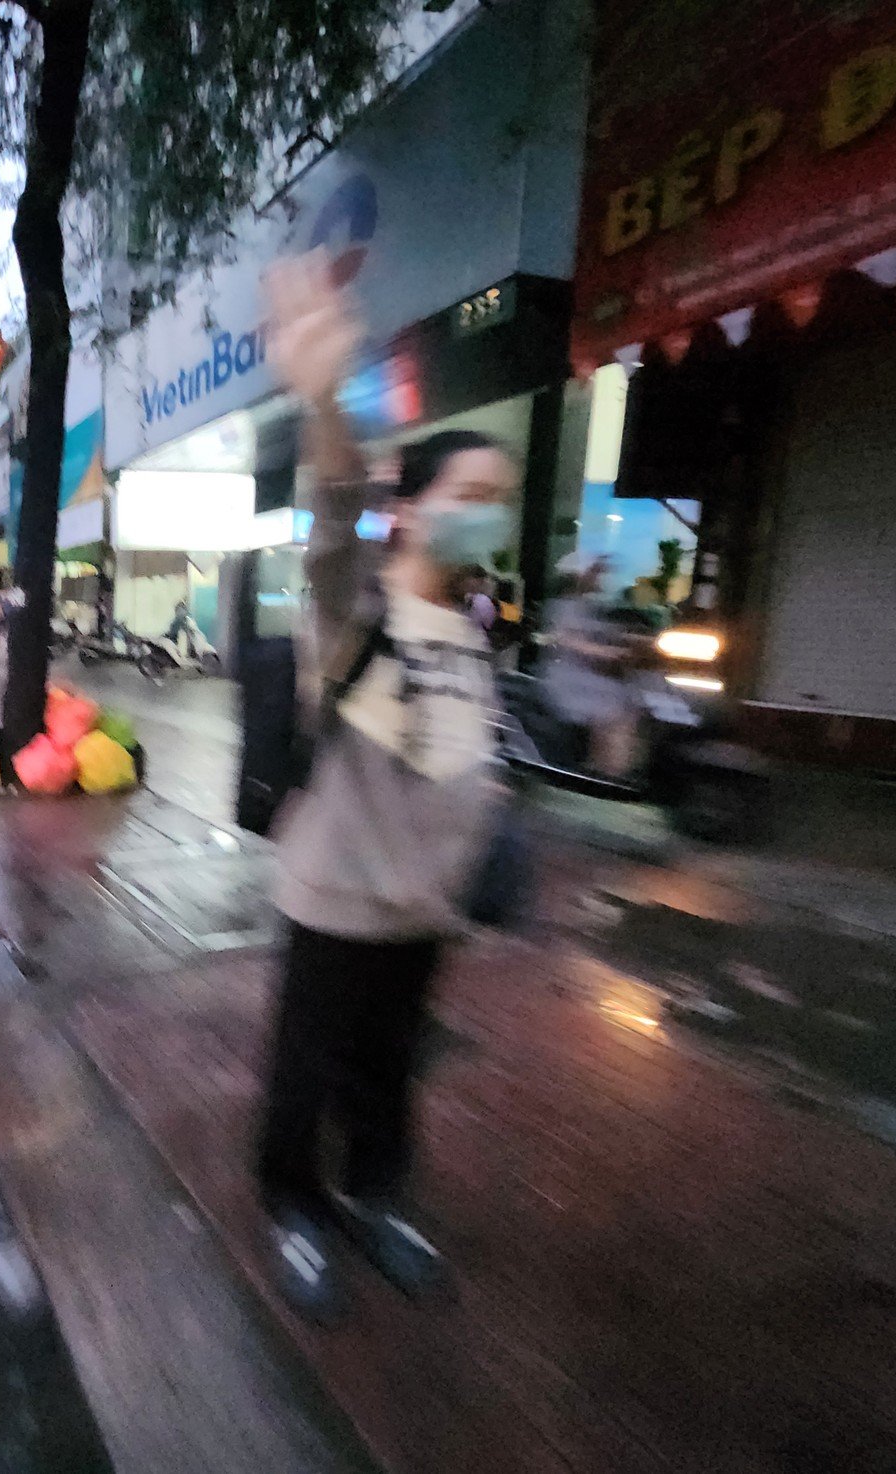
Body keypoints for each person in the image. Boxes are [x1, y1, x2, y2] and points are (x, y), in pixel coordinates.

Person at [254, 250, 515, 1322]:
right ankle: (293, 1208)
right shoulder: (355, 608)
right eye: (472, 497)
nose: (488, 517)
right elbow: (334, 505)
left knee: (388, 1075)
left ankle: (373, 1197)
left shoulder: (471, 623)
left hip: (420, 911)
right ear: (410, 510)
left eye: (501, 502)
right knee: (305, 1074)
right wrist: (324, 399)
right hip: (334, 900)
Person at [544, 552, 644, 778]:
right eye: (595, 573)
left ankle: (603, 764)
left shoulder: (586, 606)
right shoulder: (564, 606)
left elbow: (606, 635)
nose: (599, 579)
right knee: (616, 705)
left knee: (627, 698)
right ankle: (609, 768)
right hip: (569, 679)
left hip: (585, 675)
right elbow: (567, 640)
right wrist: (607, 653)